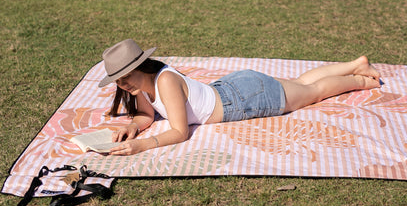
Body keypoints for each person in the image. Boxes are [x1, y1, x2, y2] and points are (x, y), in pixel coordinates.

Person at [98, 39, 381, 155]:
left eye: (125, 78)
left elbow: (180, 131)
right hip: (234, 89)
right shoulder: (142, 84)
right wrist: (133, 126)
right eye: (118, 81)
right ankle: (356, 64)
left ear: (141, 67)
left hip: (245, 97)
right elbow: (147, 114)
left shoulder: (166, 80)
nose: (122, 85)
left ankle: (361, 80)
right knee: (299, 84)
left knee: (313, 93)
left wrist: (143, 145)